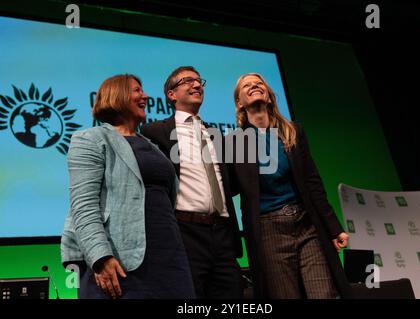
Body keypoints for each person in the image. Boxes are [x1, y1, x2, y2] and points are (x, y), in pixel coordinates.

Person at [60, 74, 195, 299]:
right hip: (120, 261)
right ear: (117, 95)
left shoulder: (152, 146)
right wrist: (100, 257)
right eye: (137, 91)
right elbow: (83, 206)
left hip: (169, 258)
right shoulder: (90, 139)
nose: (145, 96)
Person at [229, 72, 352, 299]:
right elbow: (230, 188)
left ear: (268, 97)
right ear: (239, 102)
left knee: (324, 294)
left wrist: (333, 228)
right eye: (248, 85)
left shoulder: (293, 132)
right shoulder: (235, 143)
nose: (255, 86)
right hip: (268, 230)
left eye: (259, 84)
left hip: (306, 225)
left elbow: (312, 183)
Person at [141, 66, 243, 298]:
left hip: (223, 234)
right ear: (171, 94)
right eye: (188, 81)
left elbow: (230, 184)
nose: (197, 85)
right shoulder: (154, 131)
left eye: (199, 81)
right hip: (185, 232)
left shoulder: (216, 134)